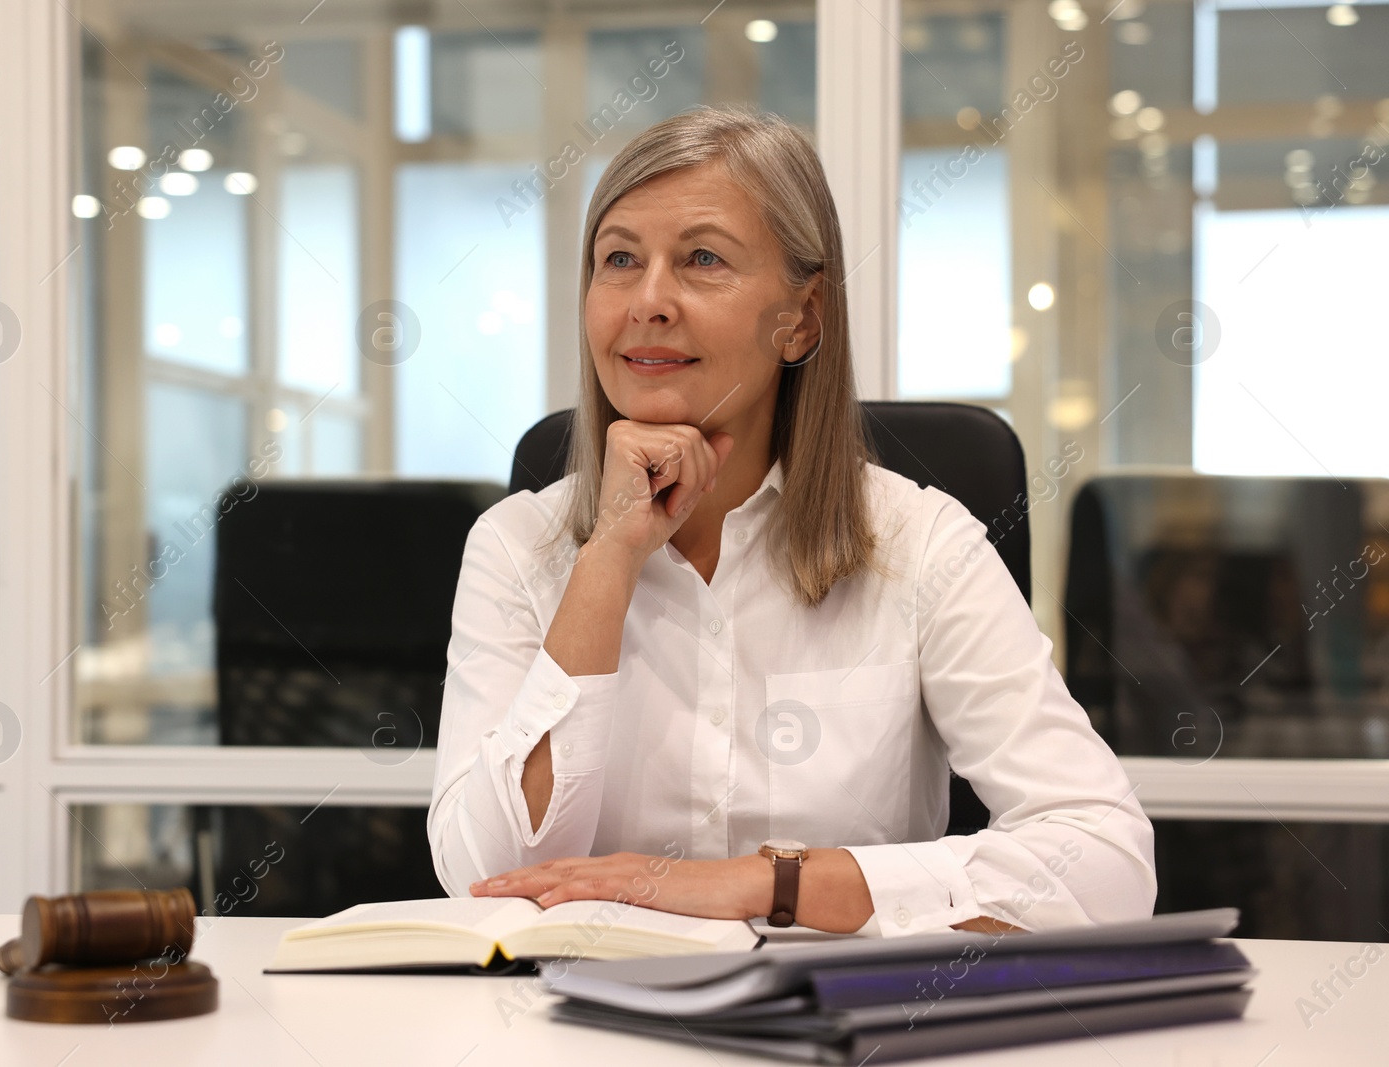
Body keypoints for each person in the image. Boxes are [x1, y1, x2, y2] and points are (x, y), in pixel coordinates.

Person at [426, 104, 1154, 936]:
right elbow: (487, 879)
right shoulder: (517, 545)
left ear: (802, 318)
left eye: (702, 258)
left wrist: (766, 884)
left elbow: (1106, 858)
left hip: (842, 1036)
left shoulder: (921, 545)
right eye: (619, 258)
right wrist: (608, 559)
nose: (649, 299)